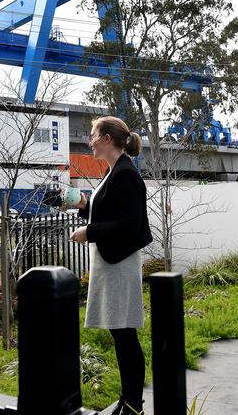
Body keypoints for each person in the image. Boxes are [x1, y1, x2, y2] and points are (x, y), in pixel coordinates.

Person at [70, 116, 152, 415]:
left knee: (124, 334)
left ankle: (133, 405)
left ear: (106, 139)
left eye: (92, 135)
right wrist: (85, 206)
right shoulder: (115, 171)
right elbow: (110, 210)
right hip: (112, 262)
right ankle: (129, 401)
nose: (89, 140)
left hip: (118, 263)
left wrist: (90, 232)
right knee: (121, 333)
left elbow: (130, 224)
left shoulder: (125, 173)